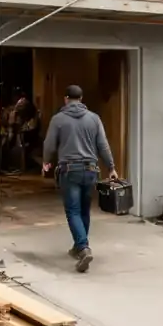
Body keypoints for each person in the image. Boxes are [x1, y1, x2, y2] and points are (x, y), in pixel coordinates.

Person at [42, 85, 118, 273]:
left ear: (66, 99)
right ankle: (79, 246)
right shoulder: (94, 119)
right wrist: (111, 167)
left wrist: (45, 162)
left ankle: (83, 248)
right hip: (91, 170)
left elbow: (49, 144)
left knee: (73, 211)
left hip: (70, 170)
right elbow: (103, 145)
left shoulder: (58, 119)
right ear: (81, 99)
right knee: (84, 210)